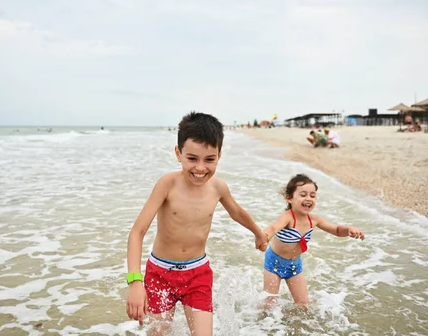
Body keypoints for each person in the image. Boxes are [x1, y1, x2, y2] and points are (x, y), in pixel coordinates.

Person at [126, 111, 268, 335]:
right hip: (160, 274)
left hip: (197, 274)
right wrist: (135, 282)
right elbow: (137, 232)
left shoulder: (218, 187)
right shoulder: (167, 184)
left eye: (209, 159)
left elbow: (237, 213)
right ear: (178, 153)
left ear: (219, 155)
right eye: (192, 158)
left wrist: (258, 233)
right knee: (158, 333)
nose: (200, 168)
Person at [262, 174, 364, 308]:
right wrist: (264, 238)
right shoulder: (288, 217)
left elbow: (337, 230)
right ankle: (262, 323)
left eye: (312, 195)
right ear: (289, 198)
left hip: (294, 265)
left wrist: (349, 229)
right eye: (303, 195)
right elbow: (273, 228)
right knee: (269, 305)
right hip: (274, 263)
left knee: (303, 304)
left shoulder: (314, 220)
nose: (308, 198)